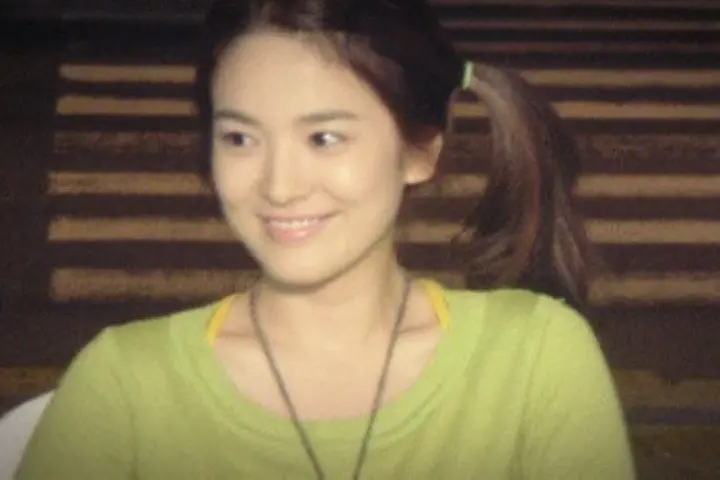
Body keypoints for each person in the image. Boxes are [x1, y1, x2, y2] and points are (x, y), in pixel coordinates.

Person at [16, 0, 635, 478]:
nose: (279, 187)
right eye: (240, 139)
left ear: (420, 151)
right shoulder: (125, 383)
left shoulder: (534, 357)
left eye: (324, 138)